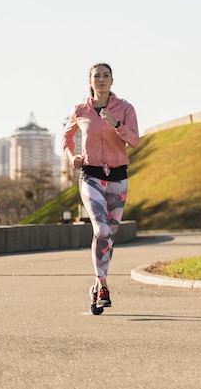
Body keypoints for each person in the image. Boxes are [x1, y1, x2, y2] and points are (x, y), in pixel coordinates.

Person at [62, 62, 139, 314]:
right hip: (91, 174)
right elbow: (66, 136)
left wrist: (116, 123)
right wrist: (70, 156)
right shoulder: (80, 109)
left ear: (112, 81)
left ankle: (97, 286)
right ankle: (104, 285)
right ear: (90, 81)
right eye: (97, 76)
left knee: (109, 236)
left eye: (106, 76)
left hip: (118, 176)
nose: (102, 80)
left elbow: (135, 141)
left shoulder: (125, 108)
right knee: (101, 228)